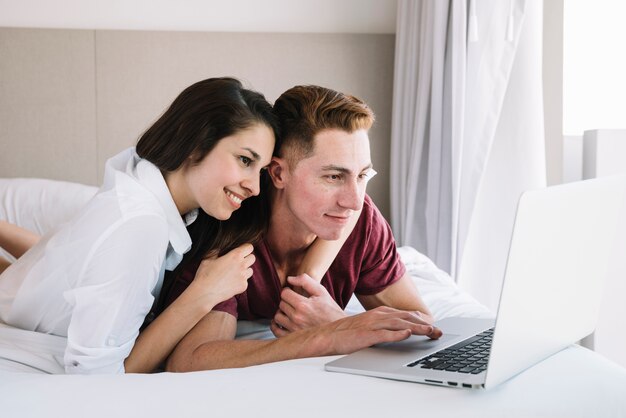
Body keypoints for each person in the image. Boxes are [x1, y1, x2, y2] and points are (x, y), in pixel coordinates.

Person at [0, 77, 280, 374]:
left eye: (260, 171)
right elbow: (97, 376)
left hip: (33, 281)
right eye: (244, 160)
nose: (255, 188)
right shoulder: (139, 227)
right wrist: (203, 293)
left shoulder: (142, 178)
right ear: (196, 143)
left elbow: (67, 258)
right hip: (20, 304)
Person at [163, 85, 442, 372]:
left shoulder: (363, 222)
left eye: (362, 175)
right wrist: (324, 337)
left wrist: (338, 324)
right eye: (334, 176)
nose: (354, 201)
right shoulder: (229, 228)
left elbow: (423, 324)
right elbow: (191, 359)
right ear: (279, 173)